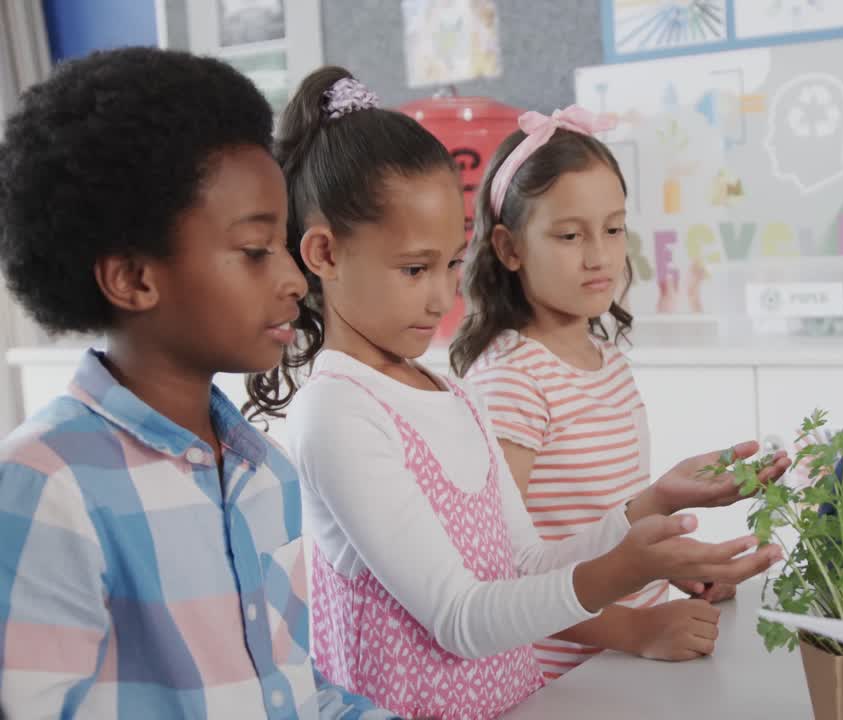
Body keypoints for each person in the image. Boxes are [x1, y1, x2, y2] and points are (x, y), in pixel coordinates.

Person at [245, 68, 786, 720]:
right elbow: (458, 617)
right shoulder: (336, 409)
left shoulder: (448, 392)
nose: (443, 297)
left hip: (515, 704)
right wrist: (620, 572)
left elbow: (522, 560)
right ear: (325, 254)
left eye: (450, 264)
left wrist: (644, 521)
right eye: (415, 269)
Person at [0, 48, 394, 718]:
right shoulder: (47, 482)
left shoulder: (268, 473)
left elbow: (295, 696)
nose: (295, 279)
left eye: (288, 245)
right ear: (132, 278)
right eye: (254, 251)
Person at [452, 106, 740, 680]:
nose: (599, 255)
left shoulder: (605, 361)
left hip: (624, 664)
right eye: (569, 235)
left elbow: (604, 523)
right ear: (509, 249)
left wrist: (669, 571)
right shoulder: (511, 381)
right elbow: (501, 575)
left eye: (612, 229)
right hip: (558, 679)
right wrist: (631, 629)